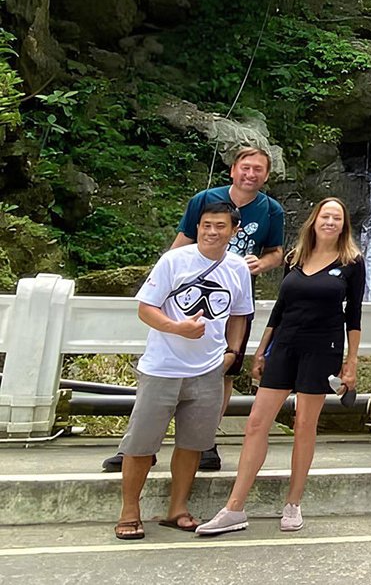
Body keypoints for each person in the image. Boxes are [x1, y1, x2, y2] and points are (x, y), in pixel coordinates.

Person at [106, 147, 286, 475]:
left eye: (258, 170)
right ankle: (138, 446)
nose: (251, 174)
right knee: (161, 370)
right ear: (233, 170)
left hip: (232, 297)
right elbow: (183, 240)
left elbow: (277, 252)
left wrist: (261, 264)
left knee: (225, 370)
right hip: (186, 293)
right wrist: (162, 277)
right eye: (245, 168)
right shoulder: (204, 199)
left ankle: (205, 440)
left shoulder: (271, 209)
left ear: (267, 175)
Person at [196, 197, 364, 536]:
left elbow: (354, 315)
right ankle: (234, 507)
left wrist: (351, 363)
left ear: (343, 225)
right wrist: (262, 349)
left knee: (305, 424)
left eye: (336, 217)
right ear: (314, 220)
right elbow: (280, 308)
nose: (330, 222)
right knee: (257, 422)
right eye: (324, 215)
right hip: (284, 345)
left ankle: (293, 502)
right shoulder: (294, 257)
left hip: (323, 348)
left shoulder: (352, 262)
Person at [112, 202, 254, 540]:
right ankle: (130, 510)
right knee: (141, 443)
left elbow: (239, 314)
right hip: (163, 366)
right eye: (206, 225)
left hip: (208, 369)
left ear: (234, 231)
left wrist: (233, 353)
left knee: (193, 443)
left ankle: (177, 508)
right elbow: (145, 308)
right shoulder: (173, 260)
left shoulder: (238, 268)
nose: (211, 231)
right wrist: (176, 328)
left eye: (220, 226)